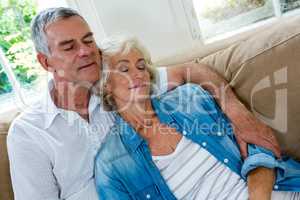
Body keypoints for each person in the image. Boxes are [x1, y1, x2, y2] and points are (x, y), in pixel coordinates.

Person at [7, 7, 280, 200]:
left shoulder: (117, 88)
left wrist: (240, 115)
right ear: (45, 61)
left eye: (89, 40)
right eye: (69, 46)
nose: (85, 51)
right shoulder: (28, 134)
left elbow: (191, 71)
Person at [95, 36, 300, 200]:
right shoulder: (110, 166)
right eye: (124, 69)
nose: (138, 74)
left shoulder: (191, 98)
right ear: (106, 85)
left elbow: (258, 149)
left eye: (141, 66)